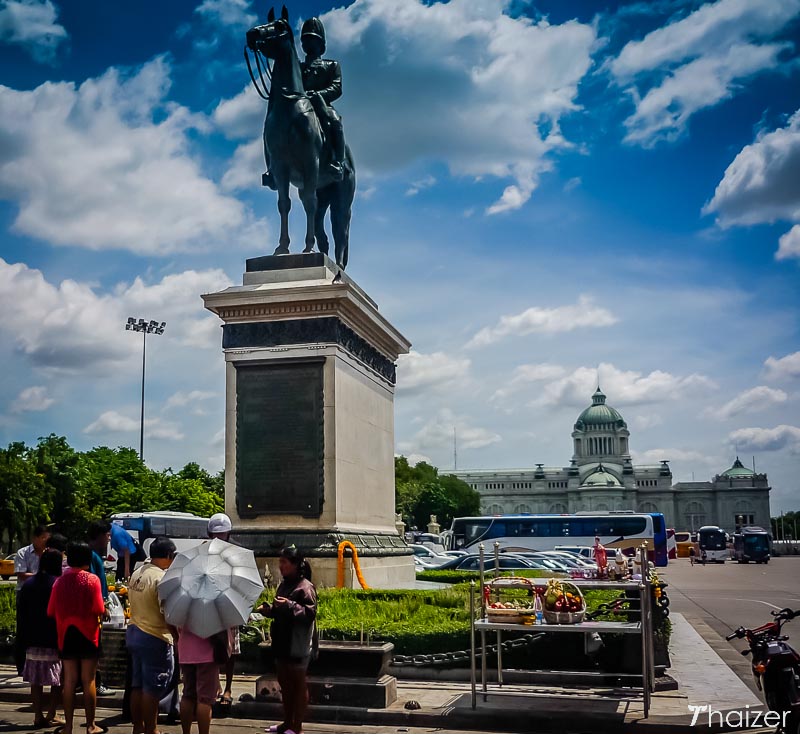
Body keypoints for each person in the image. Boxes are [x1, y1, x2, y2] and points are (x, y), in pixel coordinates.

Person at [262, 16, 345, 189]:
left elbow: (336, 88)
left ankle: (338, 162)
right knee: (270, 125)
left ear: (321, 43)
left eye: (313, 39)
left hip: (320, 105)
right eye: (306, 39)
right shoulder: (297, 67)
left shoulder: (331, 65)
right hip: (297, 106)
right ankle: (271, 170)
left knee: (335, 121)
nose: (309, 42)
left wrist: (318, 94)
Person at [48, 541, 107, 734]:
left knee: (69, 681)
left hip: (66, 635)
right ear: (87, 559)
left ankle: (68, 727)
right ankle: (90, 725)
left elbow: (50, 610)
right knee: (88, 680)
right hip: (89, 635)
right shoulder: (92, 580)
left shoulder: (59, 581)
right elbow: (98, 608)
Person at [257, 546, 317, 734]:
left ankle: (297, 726)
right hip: (282, 642)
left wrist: (290, 605)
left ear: (295, 564)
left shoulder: (305, 587)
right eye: (280, 562)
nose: (280, 566)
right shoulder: (284, 584)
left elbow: (310, 613)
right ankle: (287, 722)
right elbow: (280, 610)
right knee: (285, 684)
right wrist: (270, 611)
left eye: (284, 562)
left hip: (297, 644)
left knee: (298, 685)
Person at [126, 537, 177, 734]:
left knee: (137, 685)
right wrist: (176, 637)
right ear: (168, 556)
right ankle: (151, 729)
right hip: (154, 635)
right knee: (152, 688)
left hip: (134, 632)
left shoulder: (138, 573)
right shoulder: (161, 578)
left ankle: (138, 727)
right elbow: (168, 614)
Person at [19, 548, 64, 728]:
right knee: (58, 679)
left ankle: (38, 715)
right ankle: (52, 713)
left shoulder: (29, 584)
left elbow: (22, 613)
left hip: (32, 638)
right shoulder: (57, 584)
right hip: (54, 638)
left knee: (35, 680)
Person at [206, 512, 240, 708]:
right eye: (215, 534)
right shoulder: (203, 552)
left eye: (222, 534)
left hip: (229, 604)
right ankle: (215, 684)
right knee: (209, 648)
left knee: (231, 649)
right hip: (209, 604)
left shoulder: (235, 552)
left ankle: (228, 687)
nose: (219, 538)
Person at [14, 525, 51, 673]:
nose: (45, 542)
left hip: (43, 595)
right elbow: (21, 574)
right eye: (43, 538)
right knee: (23, 629)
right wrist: (41, 576)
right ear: (34, 538)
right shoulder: (23, 553)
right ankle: (21, 665)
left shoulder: (49, 553)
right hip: (25, 594)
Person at [87, 520, 113, 695]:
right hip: (93, 611)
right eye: (107, 535)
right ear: (100, 536)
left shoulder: (94, 554)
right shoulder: (91, 555)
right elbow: (92, 584)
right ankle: (95, 683)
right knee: (95, 649)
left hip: (95, 607)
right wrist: (103, 606)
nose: (109, 538)